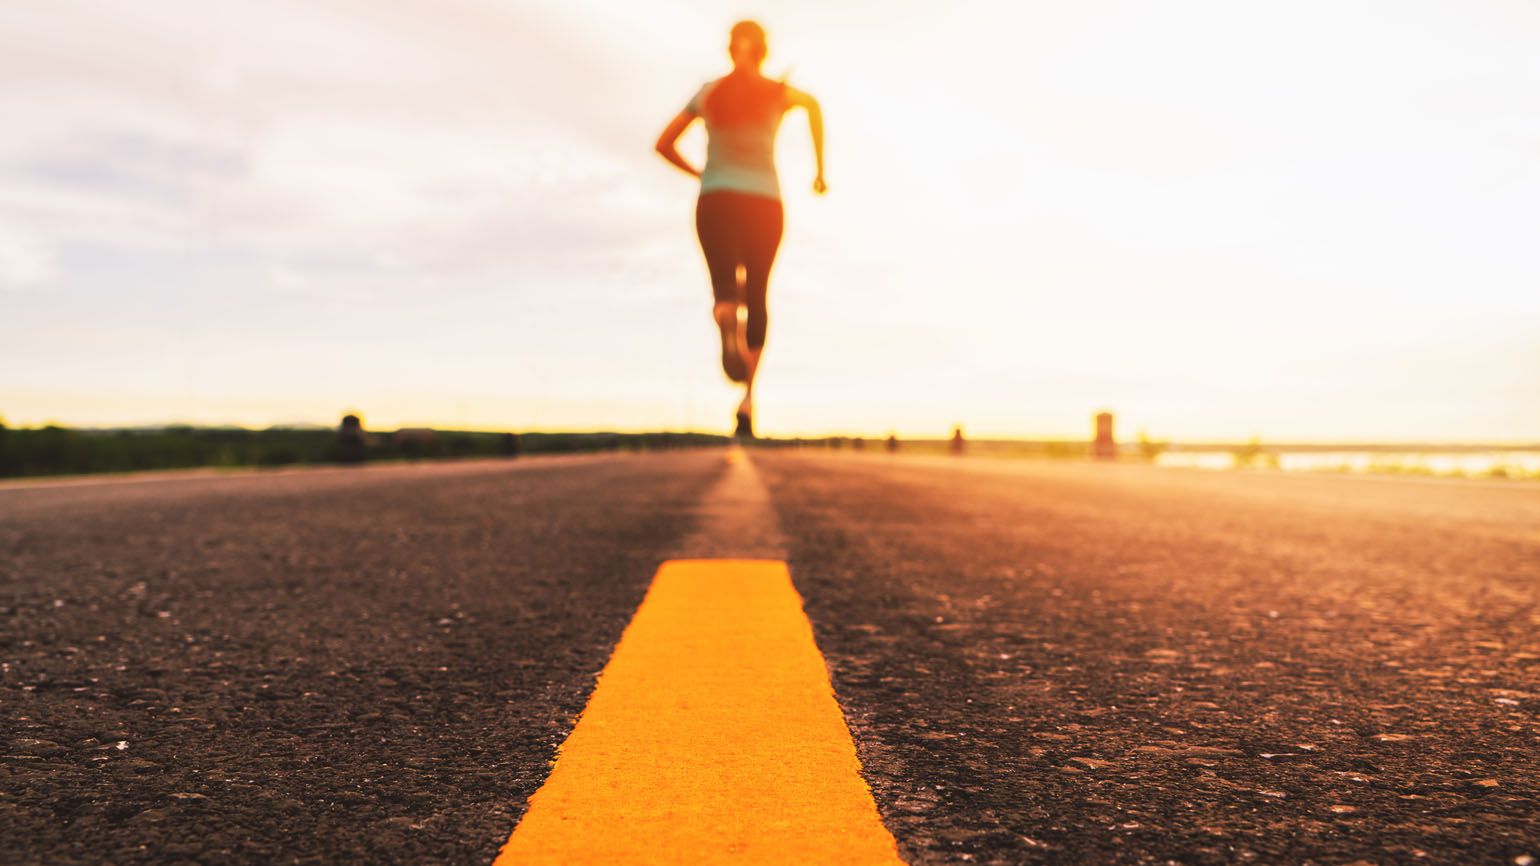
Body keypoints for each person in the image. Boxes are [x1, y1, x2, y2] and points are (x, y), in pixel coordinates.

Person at [654, 20, 825, 438]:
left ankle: (725, 314)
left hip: (717, 198)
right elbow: (815, 107)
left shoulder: (709, 92)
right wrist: (820, 171)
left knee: (725, 290)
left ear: (731, 50)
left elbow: (663, 143)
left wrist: (702, 174)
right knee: (759, 294)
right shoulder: (777, 92)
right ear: (763, 51)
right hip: (764, 201)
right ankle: (748, 398)